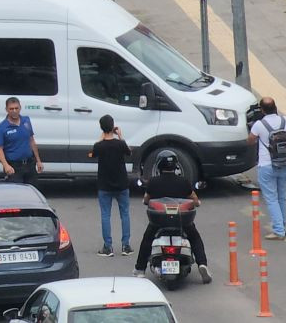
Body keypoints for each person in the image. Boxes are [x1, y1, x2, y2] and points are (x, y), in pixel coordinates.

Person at [132, 152, 211, 283]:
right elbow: (194, 199)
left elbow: (146, 200)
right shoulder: (183, 181)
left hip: (158, 221)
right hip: (182, 220)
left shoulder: (153, 182)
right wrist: (197, 203)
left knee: (147, 239)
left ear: (159, 165)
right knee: (195, 237)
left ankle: (140, 269)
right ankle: (202, 264)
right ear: (176, 166)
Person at [88, 115, 132, 257]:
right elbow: (129, 151)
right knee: (124, 214)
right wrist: (120, 136)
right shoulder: (120, 144)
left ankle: (108, 247)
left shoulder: (99, 146)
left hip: (104, 185)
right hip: (122, 184)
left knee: (105, 215)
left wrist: (101, 137)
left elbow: (92, 154)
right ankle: (126, 246)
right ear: (113, 126)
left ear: (101, 128)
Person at [249, 97, 286, 239]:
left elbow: (251, 140)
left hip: (266, 165)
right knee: (282, 197)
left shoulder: (259, 125)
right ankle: (283, 226)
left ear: (262, 110)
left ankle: (278, 230)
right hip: (284, 163)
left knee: (272, 198)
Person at [0, 97, 43, 185]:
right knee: (16, 194)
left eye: (16, 108)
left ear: (20, 108)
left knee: (32, 191)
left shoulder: (26, 121)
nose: (14, 111)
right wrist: (6, 165)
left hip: (29, 164)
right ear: (6, 109)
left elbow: (31, 140)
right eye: (11, 109)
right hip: (14, 166)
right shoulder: (2, 127)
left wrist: (38, 161)